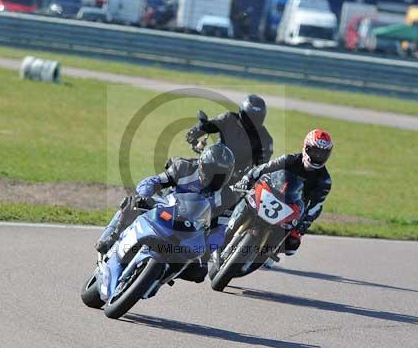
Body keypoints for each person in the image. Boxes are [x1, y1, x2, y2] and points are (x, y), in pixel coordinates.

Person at [95, 143, 236, 282]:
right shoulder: (184, 167)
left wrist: (208, 249)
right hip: (167, 208)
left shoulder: (227, 197)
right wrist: (144, 195)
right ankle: (112, 238)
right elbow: (152, 182)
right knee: (132, 203)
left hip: (192, 231)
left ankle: (162, 275)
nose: (214, 177)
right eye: (211, 170)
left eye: (221, 175)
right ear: (201, 165)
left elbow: (220, 230)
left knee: (198, 273)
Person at [235, 129, 333, 257]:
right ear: (306, 147)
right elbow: (265, 168)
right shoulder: (289, 159)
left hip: (293, 209)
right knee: (242, 198)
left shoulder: (324, 180)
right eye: (315, 151)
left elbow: (317, 206)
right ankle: (228, 227)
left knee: (292, 244)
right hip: (272, 194)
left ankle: (267, 253)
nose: (318, 156)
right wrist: (247, 179)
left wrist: (304, 223)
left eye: (322, 154)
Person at [185, 94, 273, 185]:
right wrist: (198, 129)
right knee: (185, 171)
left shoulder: (265, 139)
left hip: (236, 179)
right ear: (241, 112)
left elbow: (262, 166)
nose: (251, 121)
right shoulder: (229, 118)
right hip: (212, 164)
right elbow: (211, 125)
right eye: (249, 117)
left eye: (256, 118)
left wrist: (249, 179)